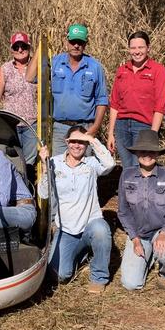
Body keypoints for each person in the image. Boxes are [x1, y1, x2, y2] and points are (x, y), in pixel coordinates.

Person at [38, 125, 115, 293]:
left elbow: (110, 164)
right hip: (66, 229)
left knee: (101, 230)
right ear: (66, 142)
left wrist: (92, 139)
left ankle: (99, 276)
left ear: (86, 145)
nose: (77, 145)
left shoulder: (92, 163)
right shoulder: (54, 162)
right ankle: (83, 253)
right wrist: (45, 168)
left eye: (81, 142)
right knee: (59, 275)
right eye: (73, 141)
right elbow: (43, 194)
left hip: (90, 223)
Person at [26, 23, 108, 156]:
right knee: (59, 169)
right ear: (67, 42)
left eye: (80, 42)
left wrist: (94, 128)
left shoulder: (95, 67)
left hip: (84, 128)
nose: (76, 46)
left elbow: (102, 100)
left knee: (83, 169)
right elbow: (30, 77)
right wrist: (41, 49)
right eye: (73, 41)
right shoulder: (55, 62)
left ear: (85, 44)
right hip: (60, 128)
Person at [117, 130, 165, 290]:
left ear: (158, 154)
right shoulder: (126, 175)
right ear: (137, 153)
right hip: (139, 234)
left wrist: (163, 234)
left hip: (162, 231)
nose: (147, 155)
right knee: (131, 284)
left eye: (151, 151)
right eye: (143, 151)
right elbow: (123, 212)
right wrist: (135, 238)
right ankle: (149, 254)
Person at [107, 31, 165, 169]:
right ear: (129, 49)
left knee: (142, 166)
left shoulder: (158, 71)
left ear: (148, 47)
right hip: (122, 125)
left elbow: (160, 106)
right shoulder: (122, 71)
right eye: (133, 48)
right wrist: (111, 133)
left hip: (144, 127)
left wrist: (153, 134)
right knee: (127, 166)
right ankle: (129, 190)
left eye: (140, 47)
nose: (137, 52)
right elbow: (114, 103)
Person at [0, 32, 38, 166]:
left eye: (23, 46)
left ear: (29, 47)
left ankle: (29, 186)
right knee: (12, 162)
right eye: (16, 47)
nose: (20, 50)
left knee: (29, 162)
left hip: (31, 124)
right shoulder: (5, 69)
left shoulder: (37, 67)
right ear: (11, 49)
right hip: (10, 124)